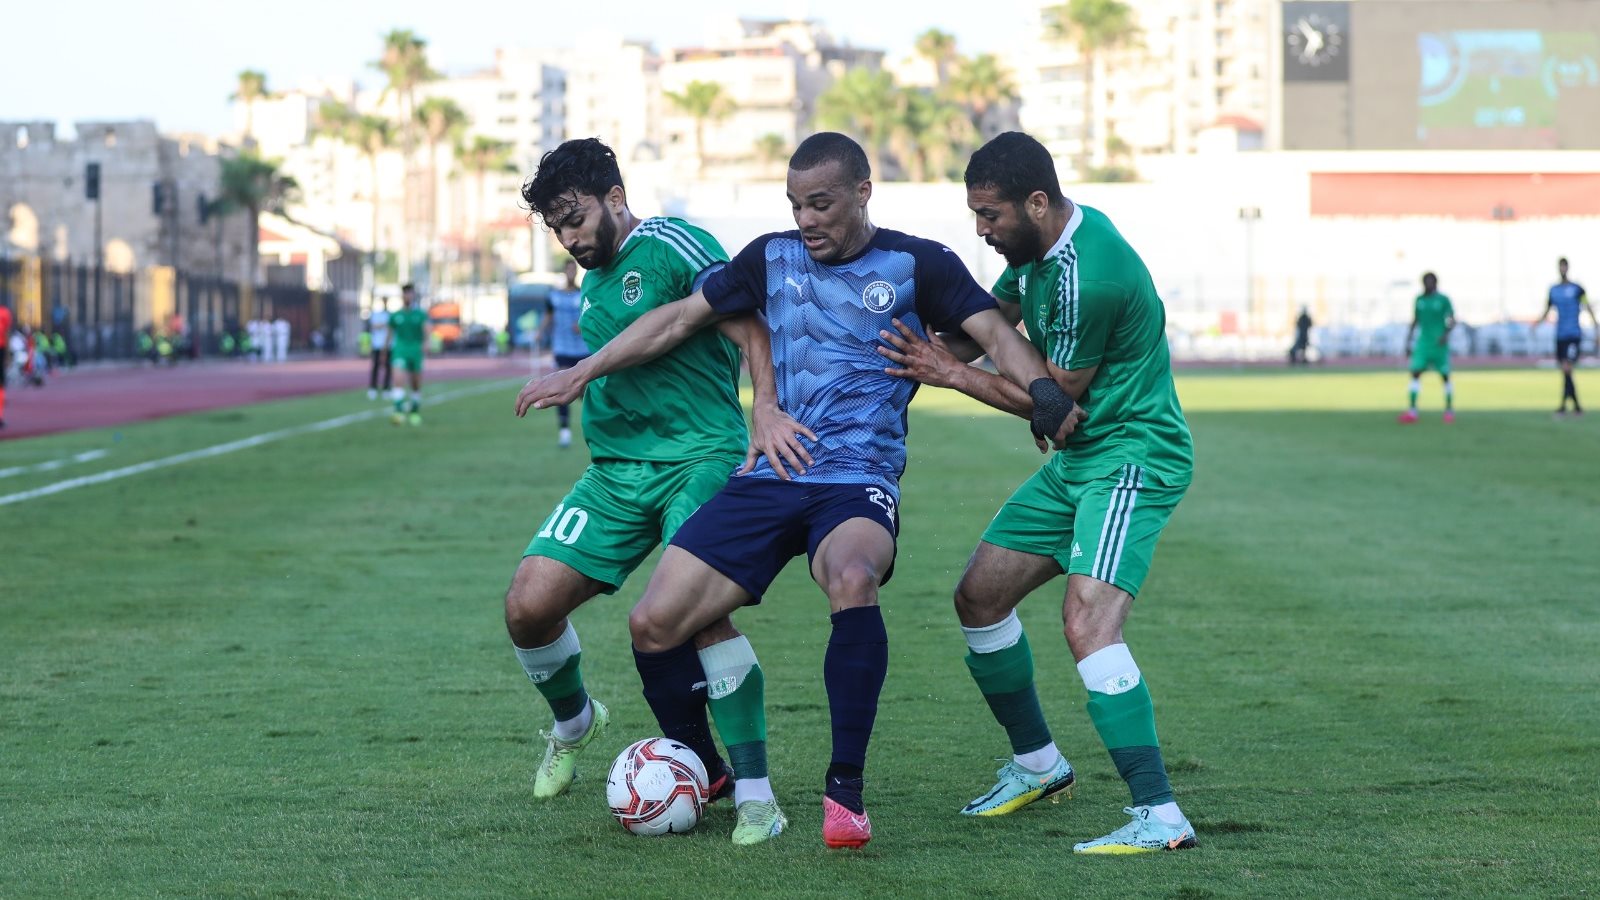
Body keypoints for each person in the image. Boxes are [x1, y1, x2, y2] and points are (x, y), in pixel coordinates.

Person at [517, 132, 1080, 849]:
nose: (806, 220)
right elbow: (680, 317)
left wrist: (1042, 393)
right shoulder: (769, 257)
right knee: (653, 624)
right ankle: (709, 774)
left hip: (857, 478)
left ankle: (844, 794)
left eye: (820, 204)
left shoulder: (919, 263)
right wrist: (584, 371)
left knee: (851, 575)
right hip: (773, 472)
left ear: (862, 193)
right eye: (795, 205)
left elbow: (996, 334)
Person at [874, 131, 1198, 853]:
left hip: (1131, 456)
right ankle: (1039, 765)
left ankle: (1161, 816)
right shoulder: (1035, 253)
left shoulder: (1089, 278)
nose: (981, 230)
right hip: (1079, 463)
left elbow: (1056, 405)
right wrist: (895, 355)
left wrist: (950, 375)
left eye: (989, 215)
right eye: (976, 214)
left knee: (1088, 624)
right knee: (979, 597)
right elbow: (985, 332)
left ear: (1038, 203)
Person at [504, 137, 806, 818]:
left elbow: (748, 324)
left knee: (697, 615)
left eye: (575, 219)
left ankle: (751, 791)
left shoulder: (674, 243)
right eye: (557, 228)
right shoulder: (593, 281)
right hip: (616, 473)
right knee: (528, 606)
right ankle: (577, 723)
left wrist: (764, 407)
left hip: (699, 459)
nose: (569, 238)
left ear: (615, 197)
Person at [537, 259, 588, 448]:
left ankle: (595, 425)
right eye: (568, 269)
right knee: (563, 387)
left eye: (574, 269)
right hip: (562, 348)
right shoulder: (554, 296)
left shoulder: (584, 292)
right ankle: (564, 432)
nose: (571, 272)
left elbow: (592, 314)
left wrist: (583, 324)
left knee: (584, 391)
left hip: (583, 348)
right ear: (564, 272)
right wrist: (540, 331)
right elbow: (548, 315)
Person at [1399, 272, 1456, 424]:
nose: (1428, 284)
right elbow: (1415, 320)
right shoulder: (1419, 300)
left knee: (1445, 376)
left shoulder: (1443, 300)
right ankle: (1412, 411)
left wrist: (1446, 333)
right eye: (1425, 282)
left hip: (1439, 344)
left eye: (1430, 281)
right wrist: (1408, 341)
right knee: (1415, 373)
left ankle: (1449, 410)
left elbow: (1451, 319)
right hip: (1423, 343)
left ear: (1436, 283)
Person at [1542, 257, 1594, 417]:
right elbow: (1547, 309)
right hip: (1560, 336)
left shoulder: (1578, 289)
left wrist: (1596, 327)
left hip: (1573, 335)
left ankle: (1567, 407)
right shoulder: (1553, 290)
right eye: (1560, 267)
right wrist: (1537, 323)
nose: (1562, 269)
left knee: (1567, 368)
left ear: (1568, 268)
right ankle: (1574, 407)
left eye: (1564, 266)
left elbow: (1588, 306)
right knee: (1566, 372)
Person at [389, 285, 428, 425]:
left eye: (410, 293)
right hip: (400, 350)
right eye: (405, 293)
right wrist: (384, 350)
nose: (408, 296)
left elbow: (426, 331)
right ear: (402, 295)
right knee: (398, 379)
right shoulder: (396, 315)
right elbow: (389, 333)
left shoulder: (420, 314)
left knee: (415, 383)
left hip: (415, 351)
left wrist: (426, 343)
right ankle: (398, 411)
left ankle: (414, 411)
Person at [368, 299, 393, 401]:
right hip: (377, 345)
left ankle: (386, 388)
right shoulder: (375, 314)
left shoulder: (390, 315)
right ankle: (373, 388)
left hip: (388, 346)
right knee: (376, 367)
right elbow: (375, 326)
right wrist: (385, 324)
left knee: (388, 367)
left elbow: (391, 328)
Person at [0, 302, 11, 429]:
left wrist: (7, 355)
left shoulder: (4, 313)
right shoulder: (4, 312)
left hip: (1, 350)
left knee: (1, 384)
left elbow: (6, 334)